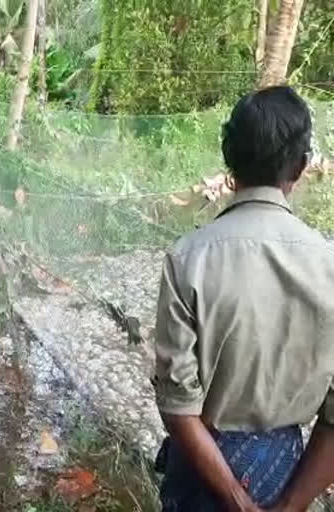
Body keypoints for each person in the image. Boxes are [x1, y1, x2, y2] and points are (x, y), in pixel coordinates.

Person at [153, 85, 334, 512]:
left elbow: (179, 407)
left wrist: (236, 500)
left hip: (201, 473)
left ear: (230, 160)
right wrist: (289, 506)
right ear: (302, 166)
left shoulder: (188, 259)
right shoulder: (329, 265)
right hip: (287, 472)